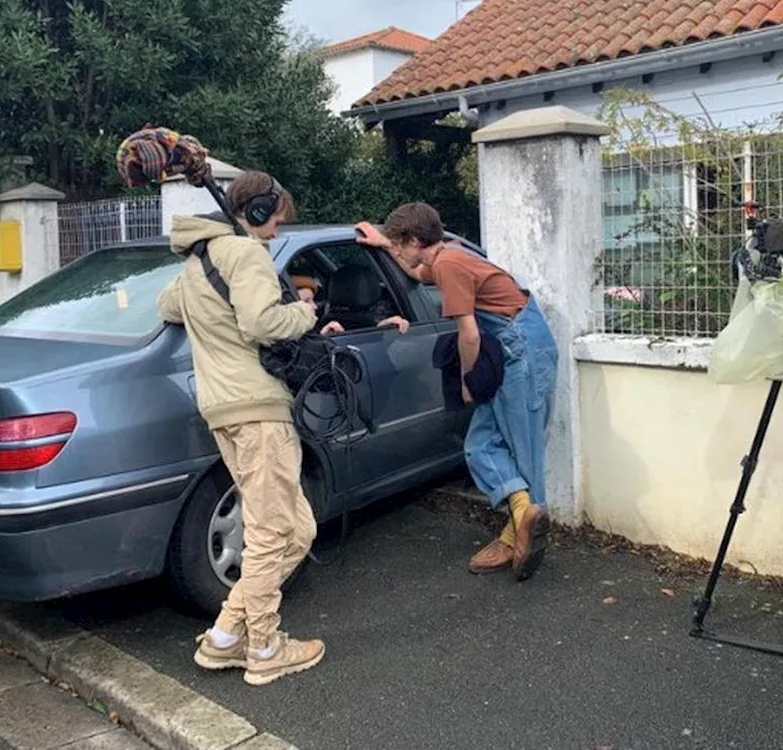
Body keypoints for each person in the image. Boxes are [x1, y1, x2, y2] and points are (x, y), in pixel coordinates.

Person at [156, 170, 326, 687]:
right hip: (257, 409)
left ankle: (226, 636)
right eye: (274, 219)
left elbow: (166, 307)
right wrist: (303, 313)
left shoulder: (196, 264)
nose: (275, 231)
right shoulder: (245, 254)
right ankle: (267, 647)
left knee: (299, 529)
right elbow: (261, 324)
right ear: (255, 212)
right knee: (274, 532)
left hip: (223, 410)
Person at [355, 203, 559, 581]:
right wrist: (385, 244)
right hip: (515, 345)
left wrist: (468, 381)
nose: (398, 252)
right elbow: (416, 270)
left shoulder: (449, 265)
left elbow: (469, 333)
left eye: (400, 244)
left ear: (415, 240)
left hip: (521, 349)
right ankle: (523, 516)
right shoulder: (445, 255)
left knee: (523, 445)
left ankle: (521, 534)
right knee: (482, 444)